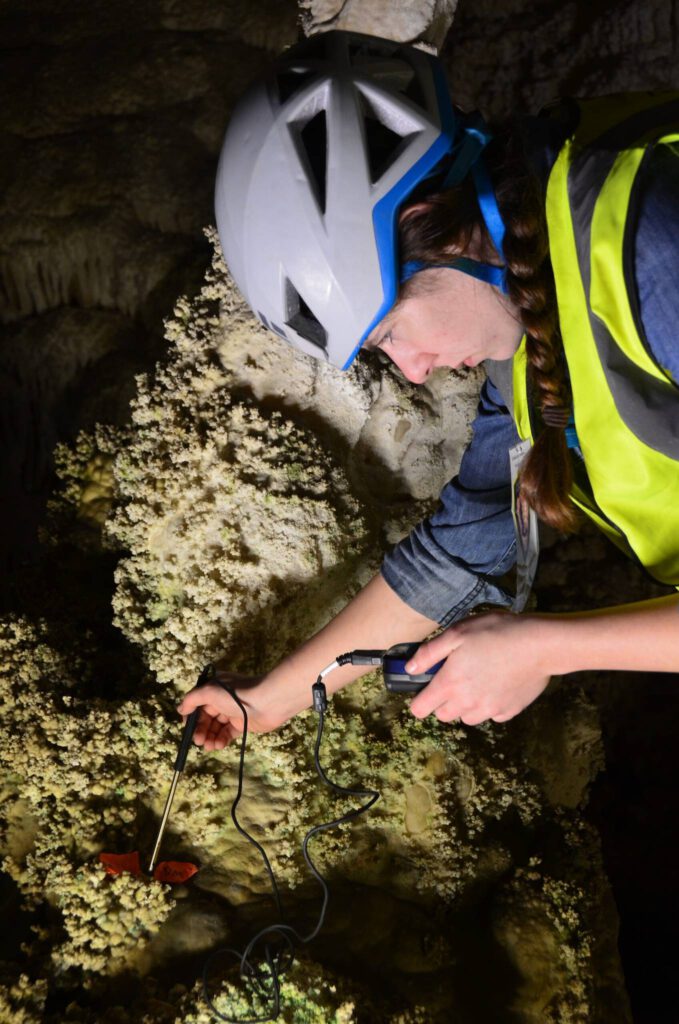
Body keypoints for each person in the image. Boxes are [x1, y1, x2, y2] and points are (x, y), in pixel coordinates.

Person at [178, 30, 679, 746]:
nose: (412, 370)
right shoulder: (524, 318)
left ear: (426, 229)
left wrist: (546, 649)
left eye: (390, 335)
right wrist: (273, 701)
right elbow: (460, 550)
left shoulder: (651, 239)